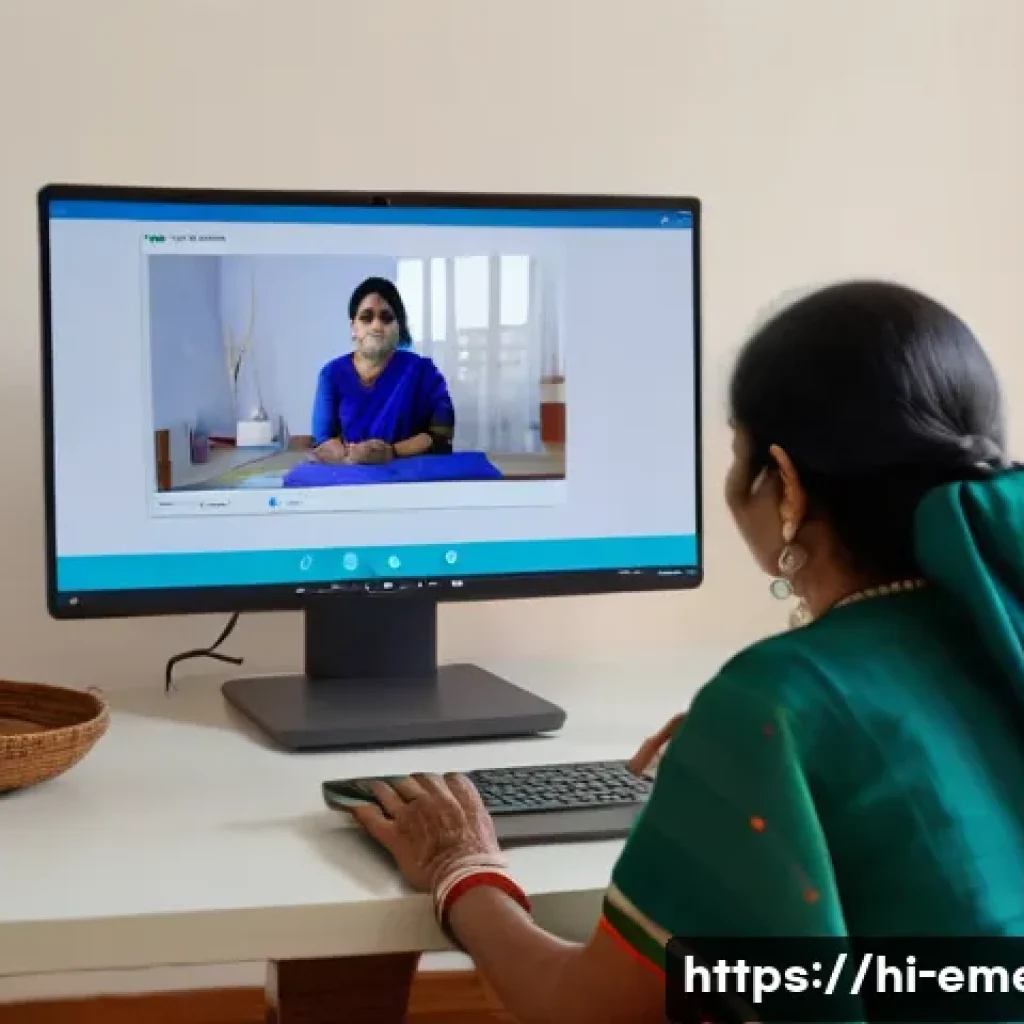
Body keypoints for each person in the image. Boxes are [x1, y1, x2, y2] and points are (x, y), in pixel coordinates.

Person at [342, 281, 1024, 1023]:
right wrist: (738, 765)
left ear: (785, 486)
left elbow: (583, 1011)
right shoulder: (993, 635)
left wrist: (460, 869)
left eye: (736, 454)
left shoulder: (774, 703)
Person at [310, 276, 455, 465]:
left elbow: (441, 434)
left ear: (399, 328)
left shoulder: (422, 372)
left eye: (386, 318)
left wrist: (392, 452)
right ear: (353, 328)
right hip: (349, 477)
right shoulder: (331, 374)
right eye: (366, 317)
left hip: (410, 478)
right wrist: (352, 457)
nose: (376, 326)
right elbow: (323, 441)